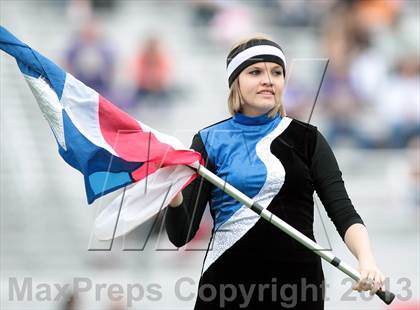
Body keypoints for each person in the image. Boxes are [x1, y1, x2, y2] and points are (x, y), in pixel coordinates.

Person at [165, 35, 385, 309]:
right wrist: (173, 193)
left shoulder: (308, 139)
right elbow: (181, 234)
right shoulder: (210, 140)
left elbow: (343, 211)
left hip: (298, 286)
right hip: (226, 284)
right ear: (236, 82)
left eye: (277, 72)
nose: (268, 80)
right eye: (255, 72)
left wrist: (367, 260)